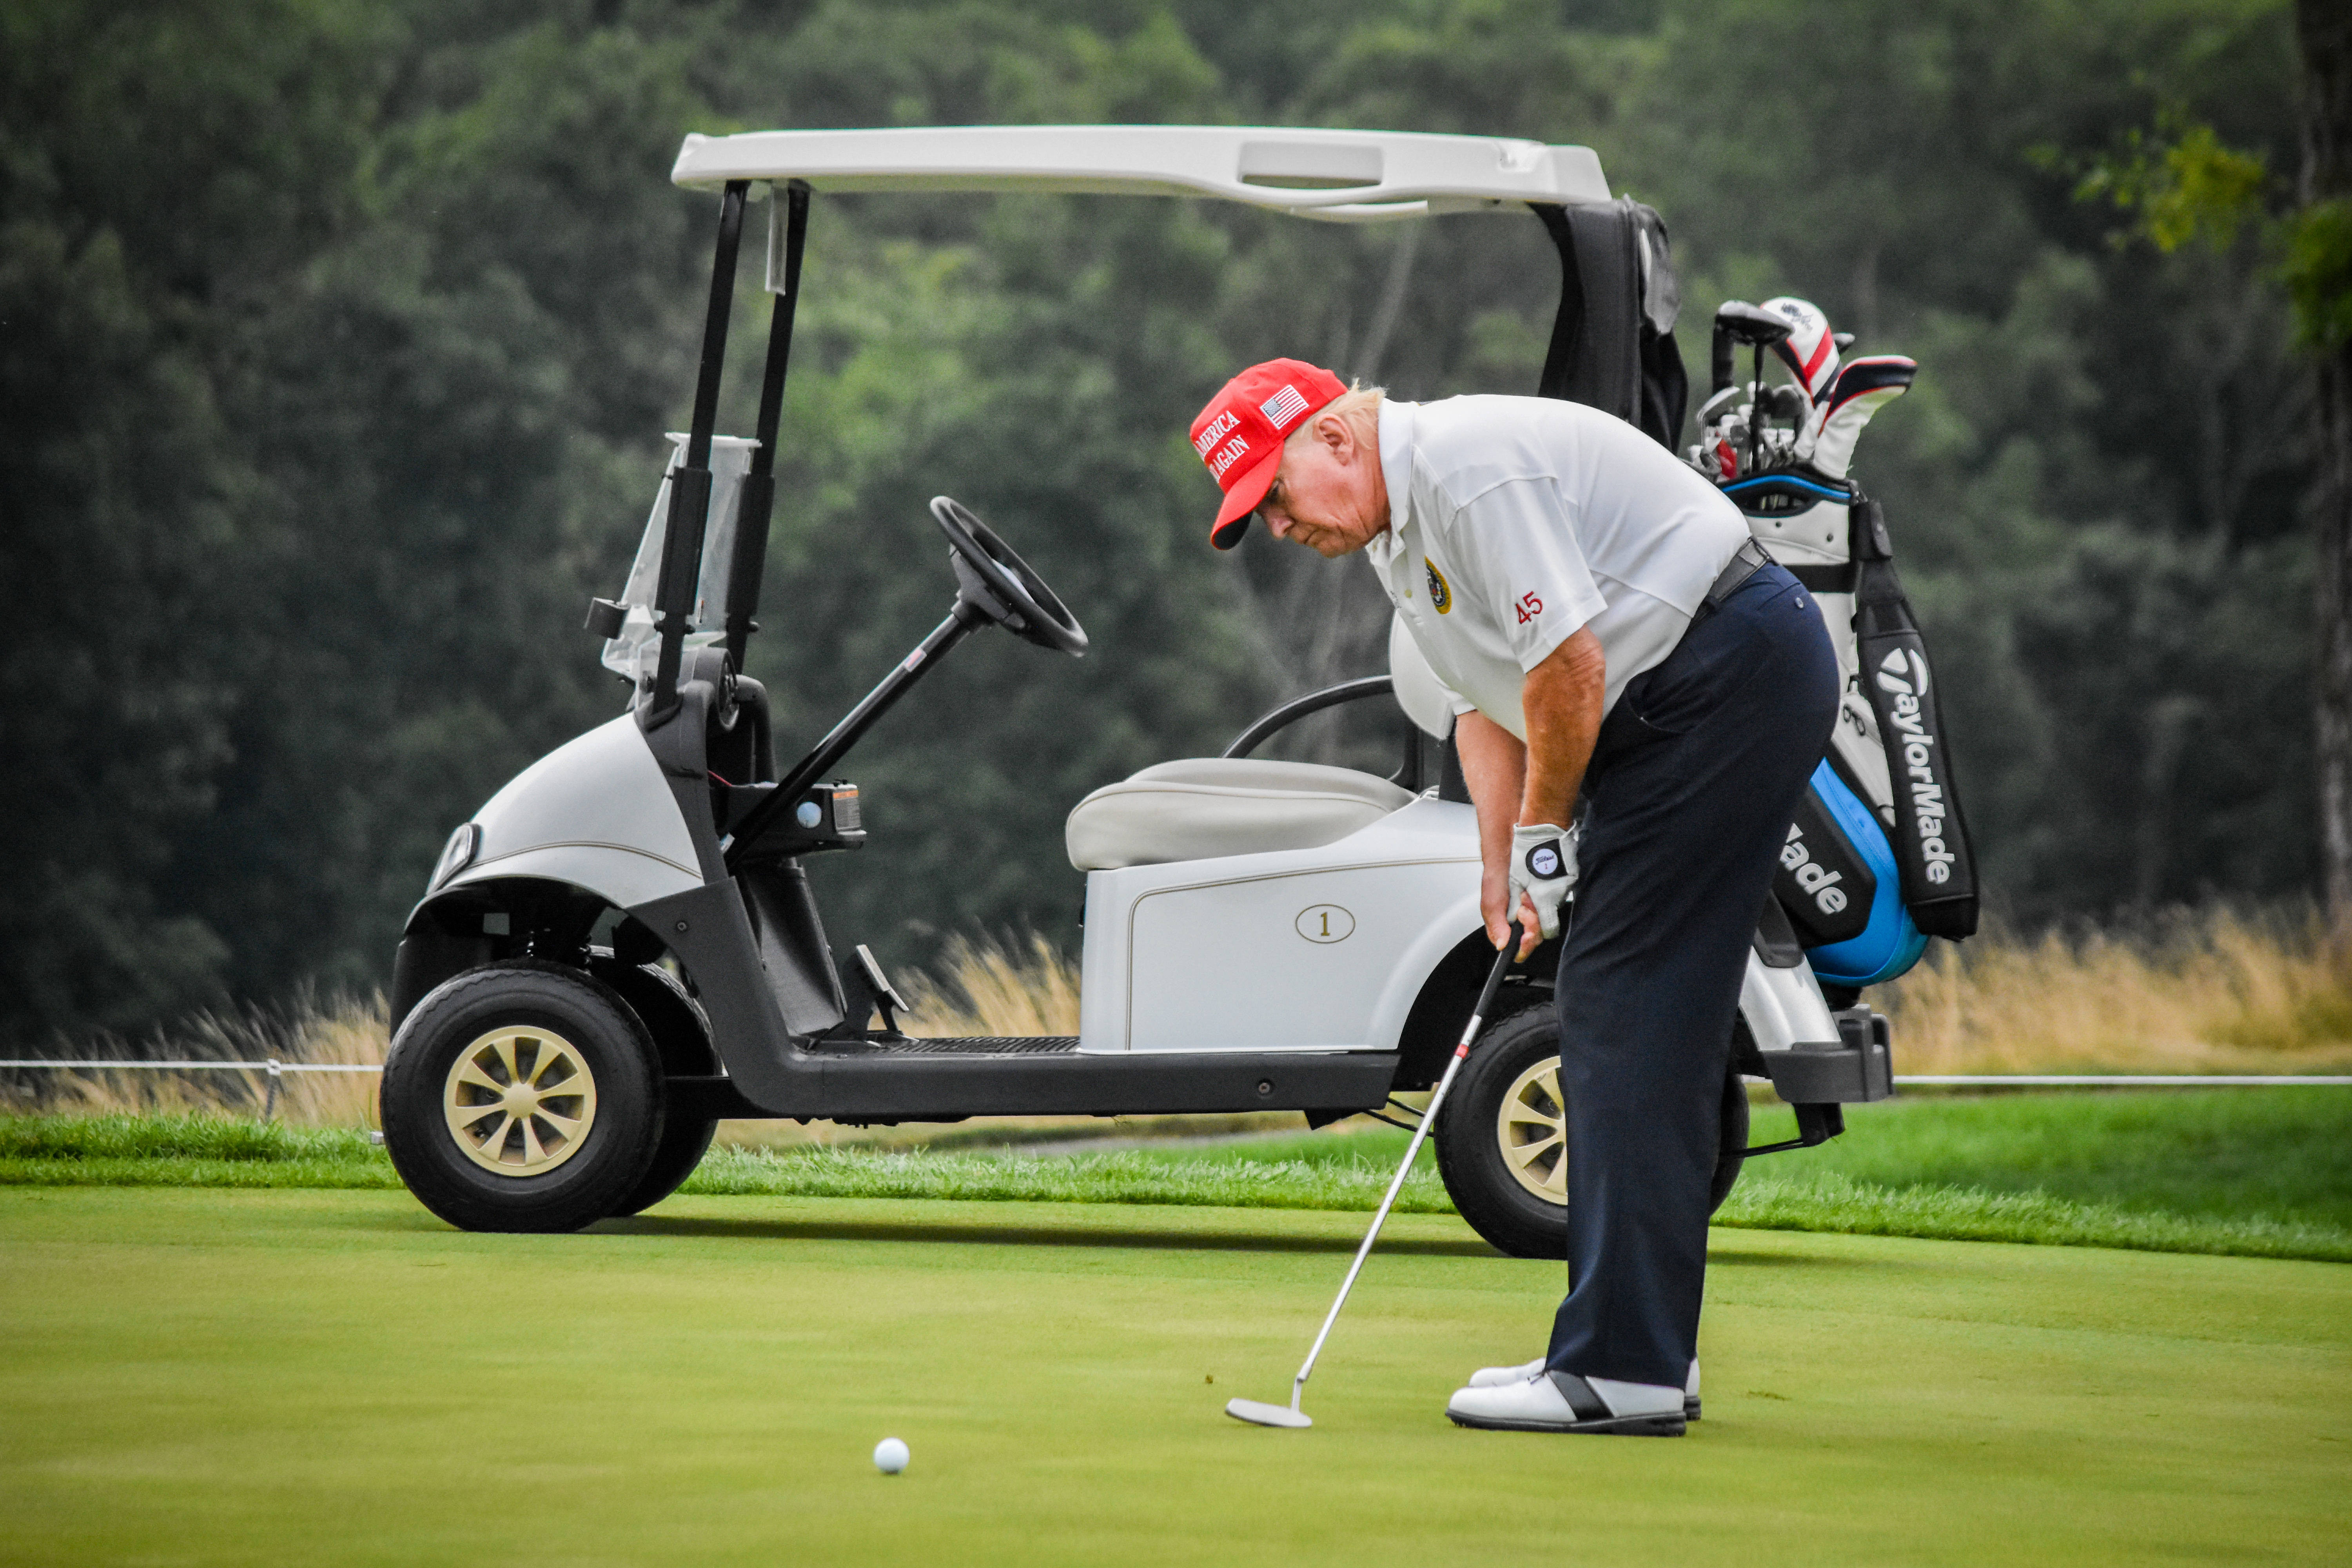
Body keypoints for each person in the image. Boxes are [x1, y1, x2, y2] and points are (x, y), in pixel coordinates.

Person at [1189, 358, 1838, 1436]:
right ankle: (1640, 1350)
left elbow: (1568, 665)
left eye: (1276, 495)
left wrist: (1546, 835)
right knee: (1634, 1008)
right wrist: (1502, 865)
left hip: (1725, 670)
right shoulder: (1398, 535)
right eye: (1259, 513)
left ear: (1336, 440)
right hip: (1683, 698)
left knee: (1626, 1004)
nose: (1279, 526)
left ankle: (1622, 1367)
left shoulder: (1466, 472)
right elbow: (1482, 702)